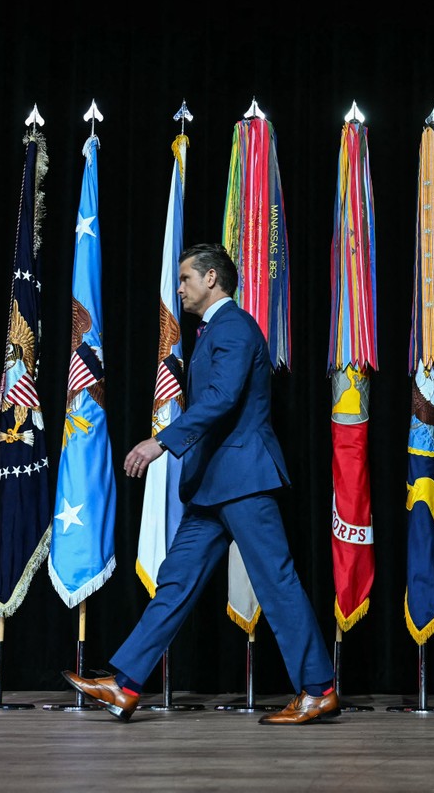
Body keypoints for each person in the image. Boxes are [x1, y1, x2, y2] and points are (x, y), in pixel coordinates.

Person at [62, 242, 339, 725]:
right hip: (214, 485)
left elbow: (221, 397)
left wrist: (160, 443)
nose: (180, 287)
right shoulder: (216, 330)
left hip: (243, 479)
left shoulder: (233, 326)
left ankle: (318, 689)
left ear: (212, 279)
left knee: (276, 584)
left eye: (187, 278)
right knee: (176, 582)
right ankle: (126, 684)